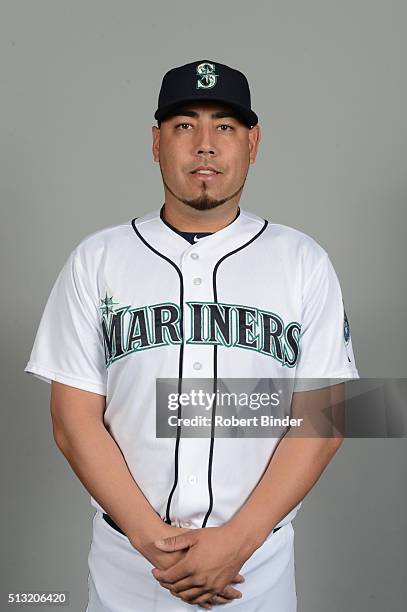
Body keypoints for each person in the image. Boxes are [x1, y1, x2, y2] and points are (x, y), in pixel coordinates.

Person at [24, 59, 360, 611]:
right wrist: (153, 543)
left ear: (253, 143)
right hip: (127, 569)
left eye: (224, 125)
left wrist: (236, 543)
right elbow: (72, 419)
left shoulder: (303, 261)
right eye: (184, 124)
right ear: (156, 143)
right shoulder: (98, 259)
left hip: (257, 570)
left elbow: (323, 420)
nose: (205, 144)